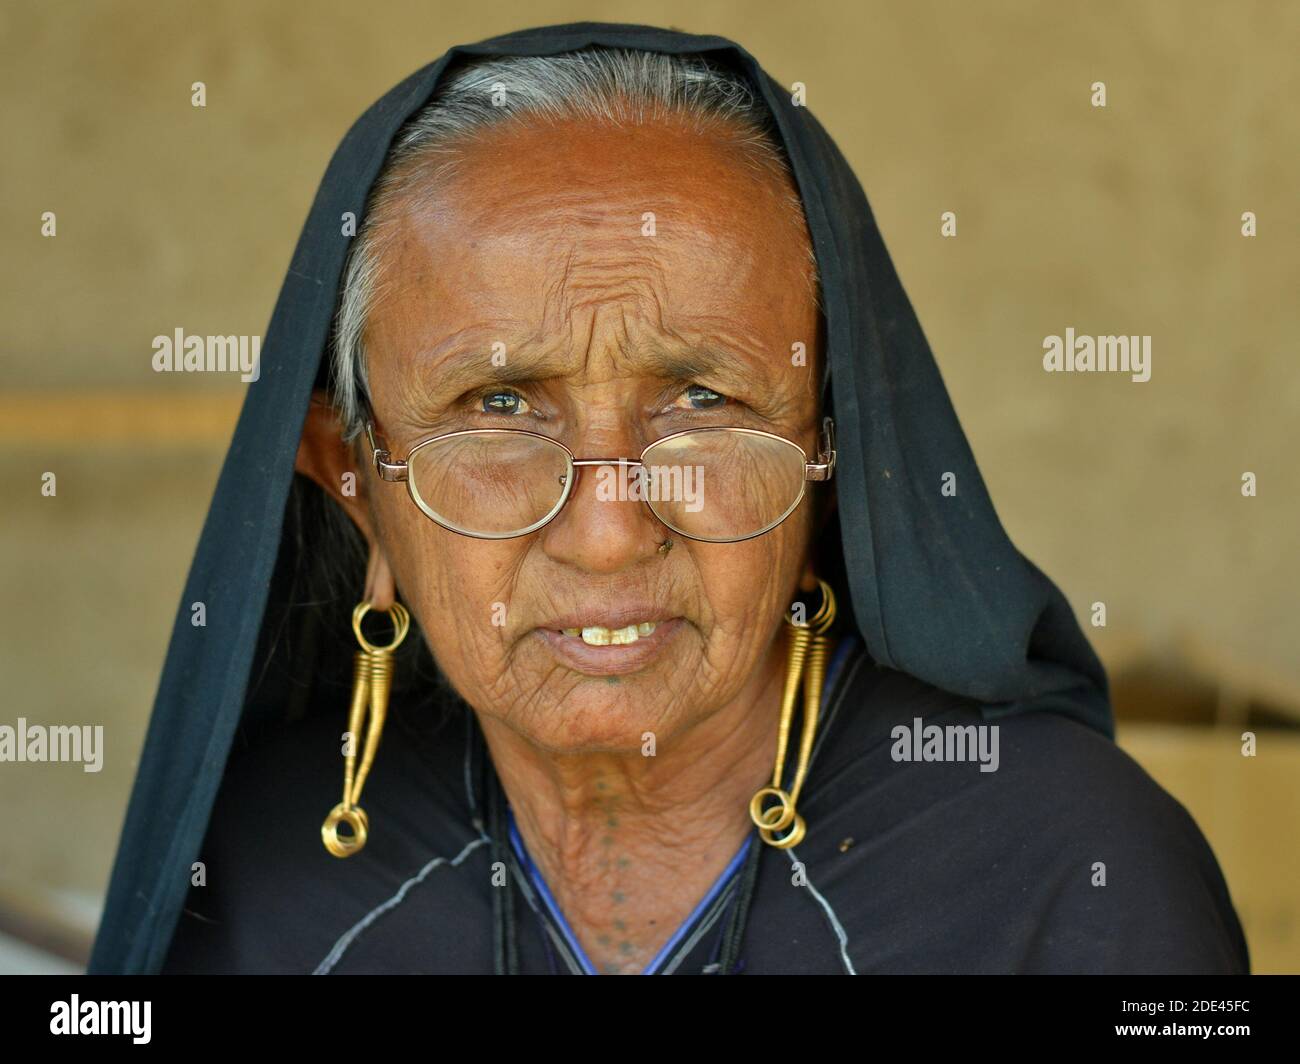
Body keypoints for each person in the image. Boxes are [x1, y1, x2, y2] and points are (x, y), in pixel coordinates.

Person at [89, 23, 1249, 975]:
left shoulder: (1069, 876)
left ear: (830, 457)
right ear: (354, 478)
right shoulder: (262, 878)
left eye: (700, 399)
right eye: (499, 405)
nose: (607, 531)